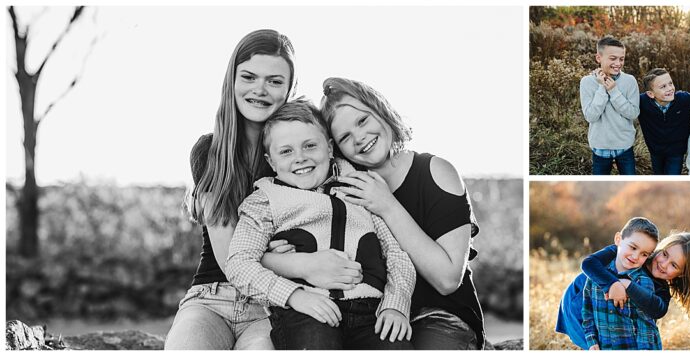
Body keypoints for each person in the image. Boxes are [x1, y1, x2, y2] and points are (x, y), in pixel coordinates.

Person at [224, 100, 415, 350]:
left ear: (329, 148)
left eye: (310, 146)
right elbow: (239, 264)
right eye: (286, 151)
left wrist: (395, 304)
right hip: (306, 310)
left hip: (373, 312)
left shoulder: (360, 189)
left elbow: (397, 253)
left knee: (396, 346)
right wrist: (294, 296)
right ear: (271, 162)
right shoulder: (265, 200)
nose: (300, 158)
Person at [318, 77, 485, 349]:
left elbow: (447, 279)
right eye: (345, 137)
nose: (359, 138)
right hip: (371, 319)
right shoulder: (345, 188)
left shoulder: (436, 171)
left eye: (362, 121)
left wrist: (387, 205)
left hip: (439, 317)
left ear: (381, 111)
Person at [166, 29, 301, 350]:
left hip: (272, 305)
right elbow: (230, 260)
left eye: (274, 81)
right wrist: (272, 253)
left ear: (289, 89)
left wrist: (262, 256)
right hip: (212, 297)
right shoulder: (209, 152)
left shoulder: (299, 156)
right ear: (232, 80)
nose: (260, 89)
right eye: (249, 77)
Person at [556, 230, 690, 349]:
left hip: (604, 311)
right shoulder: (632, 251)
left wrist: (628, 285)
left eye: (674, 265)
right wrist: (613, 284)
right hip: (578, 299)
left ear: (682, 274)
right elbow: (588, 264)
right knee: (597, 344)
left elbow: (657, 310)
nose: (663, 264)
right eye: (665, 254)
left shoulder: (661, 289)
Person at [580, 36, 641, 175]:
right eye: (613, 58)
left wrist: (614, 91)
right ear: (598, 58)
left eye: (622, 59)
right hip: (600, 147)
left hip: (624, 147)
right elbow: (591, 116)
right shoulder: (587, 82)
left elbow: (633, 113)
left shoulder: (630, 81)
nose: (618, 63)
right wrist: (602, 88)